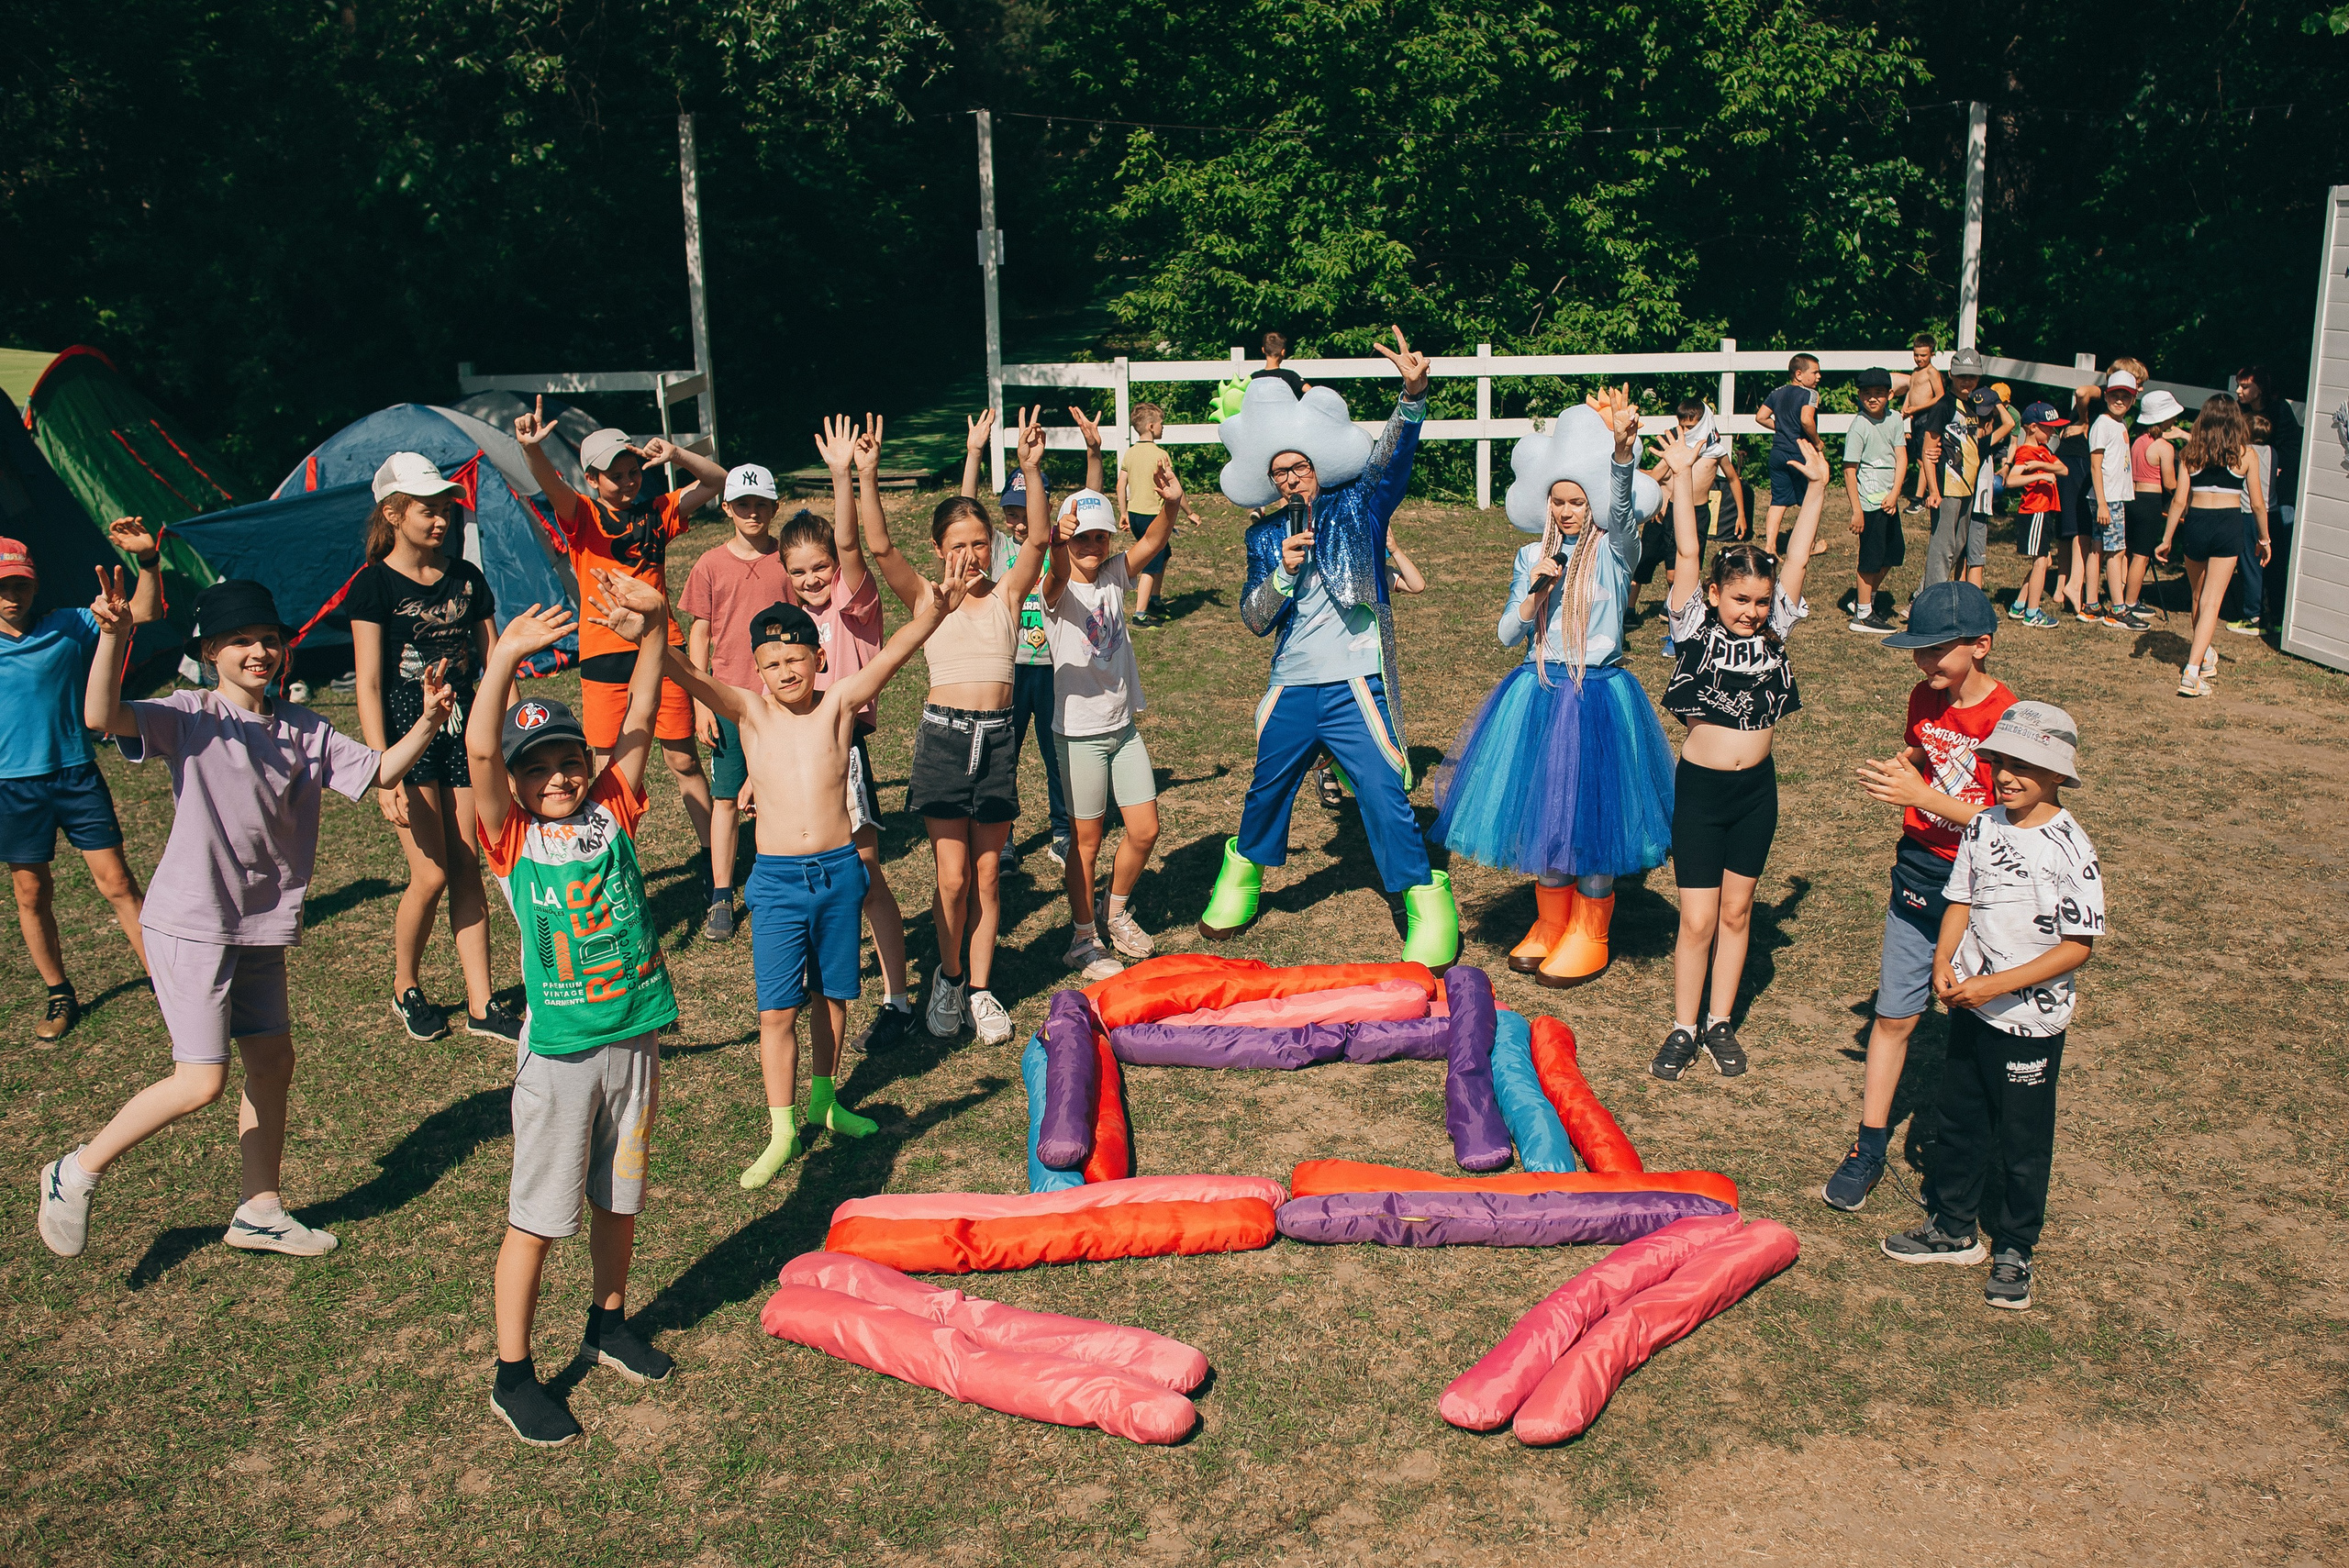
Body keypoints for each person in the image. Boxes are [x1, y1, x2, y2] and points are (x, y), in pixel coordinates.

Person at [39, 576, 450, 1262]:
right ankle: (74, 1170)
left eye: (268, 639)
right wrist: (112, 637)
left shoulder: (302, 727)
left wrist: (430, 721)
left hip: (259, 927)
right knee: (201, 1080)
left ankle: (260, 1208)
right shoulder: (190, 713)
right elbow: (100, 715)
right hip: (193, 923)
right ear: (209, 652)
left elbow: (380, 773)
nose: (258, 651)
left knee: (272, 1061)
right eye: (239, 641)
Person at [463, 578, 678, 1446]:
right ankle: (513, 1374)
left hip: (634, 1039)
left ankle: (609, 1318)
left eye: (566, 760)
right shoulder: (510, 833)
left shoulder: (613, 805)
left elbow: (643, 706)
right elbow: (479, 753)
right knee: (540, 1214)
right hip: (558, 1056)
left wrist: (657, 627)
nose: (557, 775)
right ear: (515, 781)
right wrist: (505, 660)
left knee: (618, 1195)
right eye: (537, 766)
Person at [667, 565, 957, 1187]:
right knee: (777, 1011)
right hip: (775, 882)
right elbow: (688, 673)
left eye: (796, 659)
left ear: (819, 656)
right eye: (772, 664)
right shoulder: (748, 710)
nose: (786, 672)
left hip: (838, 873)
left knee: (833, 997)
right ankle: (781, 1128)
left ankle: (825, 1102)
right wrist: (646, 632)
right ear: (757, 670)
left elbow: (897, 655)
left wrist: (934, 612)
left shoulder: (840, 704)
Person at [1197, 328, 1461, 966]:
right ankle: (1243, 876)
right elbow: (1254, 618)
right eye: (1279, 472)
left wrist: (1413, 395)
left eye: (1299, 467)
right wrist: (1282, 572)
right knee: (1267, 786)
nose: (1290, 479)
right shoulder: (1263, 537)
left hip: (1354, 681)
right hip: (1293, 680)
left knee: (1380, 789)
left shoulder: (1360, 505)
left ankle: (1424, 899)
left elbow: (1393, 460)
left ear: (1318, 463)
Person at [1429, 390, 1676, 988]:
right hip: (1538, 692)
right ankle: (1550, 920)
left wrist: (1621, 457)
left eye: (1576, 500)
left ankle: (1589, 930)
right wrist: (1535, 590)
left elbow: (1623, 507)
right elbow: (1507, 633)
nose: (1567, 510)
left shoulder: (1616, 552)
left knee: (1591, 815)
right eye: (1558, 501)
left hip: (1595, 695)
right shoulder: (1530, 554)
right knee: (1546, 812)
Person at [1881, 702, 2100, 1313]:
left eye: (2024, 764)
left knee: (2023, 1140)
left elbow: (2075, 948)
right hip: (1971, 1008)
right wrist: (1944, 961)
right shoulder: (1982, 825)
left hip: (2029, 1023)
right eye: (2000, 761)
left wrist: (1995, 984)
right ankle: (1953, 1226)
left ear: (2057, 774)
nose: (2006, 774)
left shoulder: (2069, 848)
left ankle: (2015, 1246)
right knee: (1960, 1117)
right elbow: (1960, 899)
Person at [1820, 580, 2014, 1211]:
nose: (1925, 663)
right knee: (1895, 1016)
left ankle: (1972, 1148)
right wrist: (1902, 766)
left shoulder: (2009, 722)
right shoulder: (1924, 699)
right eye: (1917, 651)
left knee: (1974, 1019)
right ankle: (1869, 1144)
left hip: (1981, 889)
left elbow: (1998, 821)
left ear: (1980, 646)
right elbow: (1926, 753)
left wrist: (1922, 796)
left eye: (1938, 651)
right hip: (1920, 873)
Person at [1653, 433, 1829, 1081]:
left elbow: (1800, 558)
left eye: (1759, 601)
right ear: (1716, 597)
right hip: (1700, 793)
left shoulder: (1777, 624)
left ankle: (1720, 1021)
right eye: (1740, 599)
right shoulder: (1691, 625)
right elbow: (1688, 549)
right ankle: (1683, 1025)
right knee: (1697, 918)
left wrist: (1815, 488)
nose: (1752, 611)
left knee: (1736, 911)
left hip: (1757, 793)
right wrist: (1678, 480)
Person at [876, 408, 1051, 1045]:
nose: (972, 554)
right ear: (939, 550)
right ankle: (946, 978)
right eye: (958, 545)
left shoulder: (1007, 595)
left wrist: (1030, 470)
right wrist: (866, 477)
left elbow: (1036, 542)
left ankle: (980, 988)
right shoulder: (928, 598)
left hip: (998, 738)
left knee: (986, 876)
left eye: (980, 543)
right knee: (950, 878)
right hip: (946, 739)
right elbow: (879, 549)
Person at [346, 452, 520, 1045]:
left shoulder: (467, 578)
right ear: (393, 513)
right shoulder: (372, 585)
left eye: (446, 507)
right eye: (428, 508)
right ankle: (405, 986)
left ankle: (481, 1002)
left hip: (467, 730)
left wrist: (514, 734)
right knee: (431, 871)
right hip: (407, 732)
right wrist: (382, 772)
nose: (442, 518)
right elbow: (368, 684)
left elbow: (496, 661)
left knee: (470, 861)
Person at [512, 400, 725, 882]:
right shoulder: (583, 516)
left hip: (660, 647)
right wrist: (532, 451)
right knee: (611, 768)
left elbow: (718, 482)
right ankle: (611, 865)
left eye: (633, 471)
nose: (628, 482)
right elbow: (552, 485)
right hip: (606, 653)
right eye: (616, 475)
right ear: (592, 479)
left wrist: (677, 455)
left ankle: (718, 865)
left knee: (681, 757)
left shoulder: (658, 511)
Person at [3, 520, 161, 1041]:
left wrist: (148, 562)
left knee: (118, 882)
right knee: (31, 891)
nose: (12, 596)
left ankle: (167, 980)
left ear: (35, 585)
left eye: (20, 584)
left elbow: (146, 612)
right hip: (12, 787)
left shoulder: (70, 624)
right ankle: (58, 992)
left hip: (74, 774)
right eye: (1, 586)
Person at [1041, 476, 1179, 980]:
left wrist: (1170, 504)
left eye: (1099, 537)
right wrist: (1058, 540)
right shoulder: (1054, 589)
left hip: (1122, 728)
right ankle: (1081, 938)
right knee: (1086, 842)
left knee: (1145, 830)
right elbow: (1056, 570)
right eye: (1082, 538)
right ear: (1066, 541)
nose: (1092, 546)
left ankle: (1113, 910)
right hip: (1078, 733)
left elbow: (1152, 541)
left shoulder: (1113, 576)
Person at [960, 406, 1085, 872]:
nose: (1016, 520)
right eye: (1009, 511)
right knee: (1002, 758)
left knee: (1058, 756)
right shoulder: (991, 546)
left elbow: (1089, 499)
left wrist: (1092, 452)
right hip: (1007, 668)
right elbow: (962, 511)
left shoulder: (1058, 543)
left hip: (1054, 666)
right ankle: (1003, 837)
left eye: (1023, 510)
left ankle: (1061, 831)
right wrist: (975, 452)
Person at [679, 461, 790, 941]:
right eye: (743, 504)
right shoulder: (709, 563)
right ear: (726, 508)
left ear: (774, 507)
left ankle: (773, 881)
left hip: (779, 699)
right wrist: (702, 700)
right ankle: (722, 893)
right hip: (727, 699)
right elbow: (699, 631)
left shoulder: (788, 557)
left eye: (761, 504)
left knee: (776, 795)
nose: (753, 513)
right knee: (726, 797)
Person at [2157, 394, 2269, 698]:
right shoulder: (2246, 455)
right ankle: (2192, 672)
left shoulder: (2190, 454)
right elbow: (2257, 504)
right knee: (2212, 601)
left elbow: (2180, 501)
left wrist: (2167, 538)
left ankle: (2203, 657)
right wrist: (2264, 538)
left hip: (2197, 523)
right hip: (2228, 524)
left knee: (2198, 595)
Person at [2233, 364, 2301, 632]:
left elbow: (2293, 451)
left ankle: (2271, 613)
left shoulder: (2280, 411)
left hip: (2275, 497)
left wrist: (2272, 467)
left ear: (2259, 389)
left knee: (2273, 556)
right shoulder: (2240, 411)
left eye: (2245, 386)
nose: (2239, 390)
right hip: (2253, 498)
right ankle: (2261, 611)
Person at [1842, 368, 1909, 634]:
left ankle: (1864, 599)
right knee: (1869, 559)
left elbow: (1901, 457)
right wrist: (1856, 510)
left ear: (1890, 395)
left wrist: (1895, 494)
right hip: (1868, 502)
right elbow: (1849, 469)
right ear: (1859, 395)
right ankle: (1862, 615)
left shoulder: (1894, 420)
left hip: (1888, 500)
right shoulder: (1859, 427)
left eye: (1879, 393)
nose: (1872, 398)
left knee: (1893, 554)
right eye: (1866, 393)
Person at [1922, 389, 2003, 592]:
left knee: (1957, 546)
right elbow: (1928, 449)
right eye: (1962, 376)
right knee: (1943, 547)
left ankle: (1921, 594)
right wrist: (1933, 490)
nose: (1966, 381)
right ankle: (1932, 600)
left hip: (1967, 488)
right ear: (1951, 375)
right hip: (1947, 486)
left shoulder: (1972, 407)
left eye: (1972, 376)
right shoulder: (1944, 406)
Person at [2084, 369, 2144, 629]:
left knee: (2098, 548)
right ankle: (2118, 609)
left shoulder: (2119, 424)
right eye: (2115, 395)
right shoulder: (2103, 424)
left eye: (2126, 396)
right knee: (2116, 551)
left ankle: (2091, 604)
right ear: (2106, 396)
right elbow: (2095, 466)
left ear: (2132, 401)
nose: (2120, 400)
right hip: (2107, 498)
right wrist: (2103, 502)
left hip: (2112, 497)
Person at [2120, 388, 2187, 620]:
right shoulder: (2164, 447)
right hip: (2150, 502)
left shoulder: (2138, 441)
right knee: (2142, 555)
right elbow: (2170, 483)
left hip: (2132, 498)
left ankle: (2121, 593)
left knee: (2128, 550)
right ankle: (2131, 601)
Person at [2002, 404, 2069, 628]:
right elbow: (2011, 480)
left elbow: (2064, 470)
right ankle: (2033, 612)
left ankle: (2020, 605)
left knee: (2045, 559)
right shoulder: (2025, 452)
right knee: (2040, 561)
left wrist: (2041, 465)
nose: (2052, 433)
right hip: (2034, 511)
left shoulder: (2043, 452)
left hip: (2045, 511)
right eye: (2048, 428)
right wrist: (2038, 477)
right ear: (2032, 427)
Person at [1115, 403, 1181, 628]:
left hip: (1135, 515)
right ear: (1152, 426)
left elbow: (1120, 484)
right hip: (1153, 516)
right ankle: (1140, 614)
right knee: (1151, 562)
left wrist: (1123, 513)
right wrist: (1190, 512)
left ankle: (1154, 600)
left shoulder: (1130, 453)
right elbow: (1174, 488)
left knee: (1164, 553)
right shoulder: (1160, 455)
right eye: (1162, 423)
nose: (1163, 428)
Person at [1753, 353, 1822, 554]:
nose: (1819, 376)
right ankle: (1808, 545)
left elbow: (1760, 417)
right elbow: (1807, 420)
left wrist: (1780, 427)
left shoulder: (1777, 392)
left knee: (1778, 500)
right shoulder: (1810, 394)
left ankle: (1770, 547)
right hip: (1800, 452)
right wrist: (1817, 442)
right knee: (1810, 499)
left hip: (1777, 453)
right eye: (1815, 372)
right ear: (1799, 374)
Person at [1896, 334, 1946, 515]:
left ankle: (1918, 498)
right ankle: (1926, 491)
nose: (1919, 359)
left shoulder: (1932, 372)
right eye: (1916, 355)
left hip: (1927, 416)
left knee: (1925, 458)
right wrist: (1905, 410)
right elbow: (1911, 392)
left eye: (1923, 355)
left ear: (1931, 354)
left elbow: (1940, 396)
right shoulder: (1915, 372)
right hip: (1915, 417)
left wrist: (1917, 408)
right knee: (1919, 458)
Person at [1253, 330, 1307, 398]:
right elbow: (1311, 391)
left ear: (1263, 350)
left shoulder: (1254, 378)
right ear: (1283, 352)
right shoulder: (1291, 376)